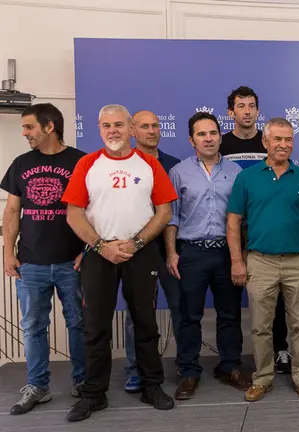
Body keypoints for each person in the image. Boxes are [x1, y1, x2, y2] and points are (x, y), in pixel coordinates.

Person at [62, 104, 176, 422]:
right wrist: (101, 246)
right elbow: (73, 213)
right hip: (99, 255)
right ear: (99, 129)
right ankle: (93, 394)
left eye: (118, 124)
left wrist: (137, 242)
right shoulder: (87, 164)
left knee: (146, 323)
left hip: (141, 253)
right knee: (96, 327)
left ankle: (151, 386)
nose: (112, 130)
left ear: (129, 127)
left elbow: (165, 211)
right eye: (105, 125)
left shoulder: (149, 165)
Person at [227, 117, 299, 402]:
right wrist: (237, 260)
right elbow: (233, 222)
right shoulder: (246, 178)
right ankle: (262, 378)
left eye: (288, 139)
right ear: (265, 142)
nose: (283, 145)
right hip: (260, 261)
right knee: (260, 326)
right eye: (278, 139)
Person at [1, 103, 86, 415]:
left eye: (29, 127)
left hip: (72, 262)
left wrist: (86, 251)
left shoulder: (80, 162)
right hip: (31, 263)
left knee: (78, 323)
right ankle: (38, 385)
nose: (25, 133)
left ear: (50, 127)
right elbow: (12, 211)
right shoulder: (21, 163)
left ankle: (83, 382)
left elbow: (94, 210)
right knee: (33, 326)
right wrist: (8, 253)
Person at [165, 112, 250, 400]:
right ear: (192, 140)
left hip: (227, 252)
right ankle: (189, 372)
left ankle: (230, 366)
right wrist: (171, 253)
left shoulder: (237, 172)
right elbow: (172, 218)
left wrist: (241, 256)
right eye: (202, 134)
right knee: (189, 316)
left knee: (229, 314)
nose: (209, 138)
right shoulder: (178, 173)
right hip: (192, 253)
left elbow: (241, 218)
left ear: (220, 135)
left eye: (213, 133)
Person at [220, 86, 291, 374]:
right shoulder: (220, 145)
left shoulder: (270, 143)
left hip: (265, 231)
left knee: (277, 296)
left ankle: (281, 350)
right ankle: (235, 360)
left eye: (251, 106)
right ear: (231, 112)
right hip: (235, 231)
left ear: (258, 111)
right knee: (233, 298)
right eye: (240, 106)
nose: (247, 111)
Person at [123, 110, 182, 393]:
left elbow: (180, 212)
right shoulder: (123, 165)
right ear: (133, 131)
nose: (151, 131)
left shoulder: (174, 166)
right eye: (144, 126)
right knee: (138, 313)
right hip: (136, 250)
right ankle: (135, 369)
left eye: (155, 125)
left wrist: (174, 249)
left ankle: (185, 365)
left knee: (181, 309)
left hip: (171, 249)